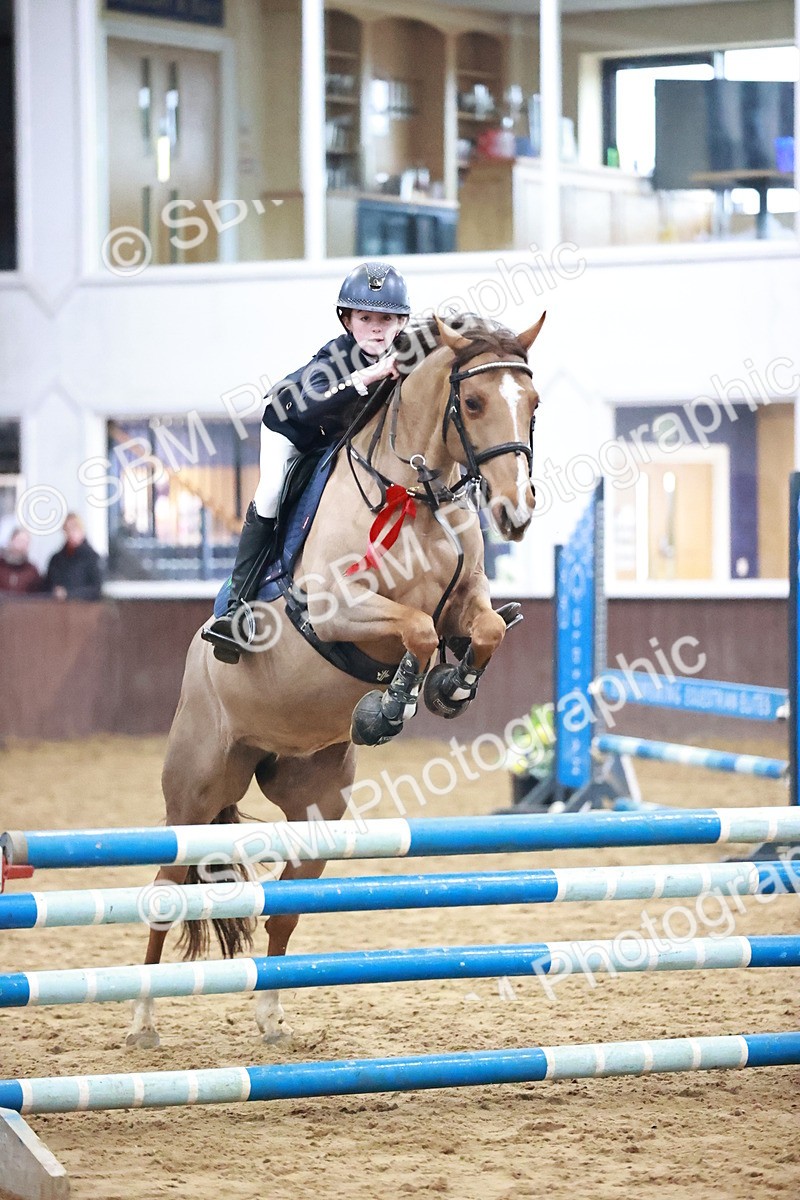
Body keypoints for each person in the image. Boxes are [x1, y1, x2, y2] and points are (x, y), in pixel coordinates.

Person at [204, 260, 411, 661]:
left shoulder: (405, 354)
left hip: (337, 443)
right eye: (365, 317)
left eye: (386, 318)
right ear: (348, 320)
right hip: (291, 429)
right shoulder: (333, 356)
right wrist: (371, 375)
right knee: (270, 494)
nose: (375, 327)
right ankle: (235, 605)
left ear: (400, 324)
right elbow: (312, 407)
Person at [45, 512, 102, 601]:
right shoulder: (56, 560)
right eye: (67, 529)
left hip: (84, 610)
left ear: (82, 531)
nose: (71, 533)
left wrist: (69, 594)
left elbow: (96, 589)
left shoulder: (92, 558)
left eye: (74, 529)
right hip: (59, 611)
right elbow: (48, 586)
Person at [0, 527, 43, 594]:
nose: (21, 546)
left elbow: (38, 596)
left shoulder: (32, 571)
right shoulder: (1, 565)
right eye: (19, 541)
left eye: (25, 543)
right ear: (11, 541)